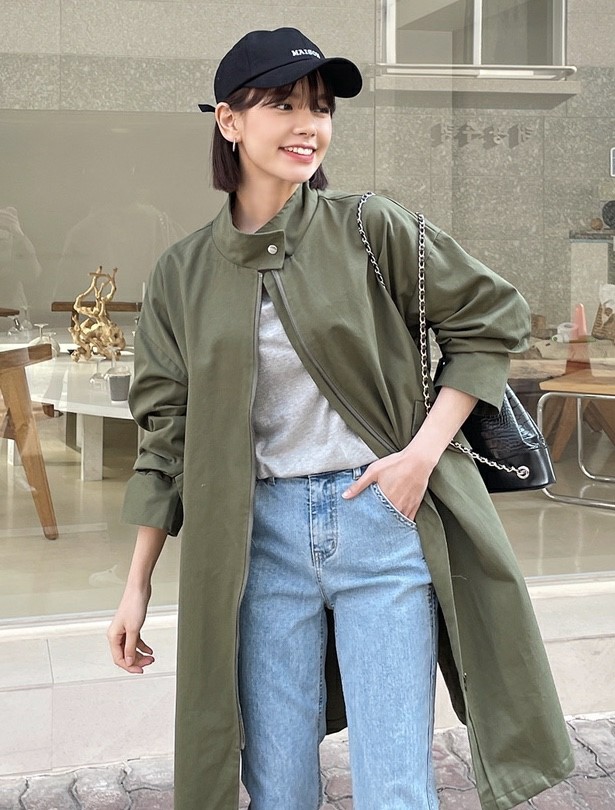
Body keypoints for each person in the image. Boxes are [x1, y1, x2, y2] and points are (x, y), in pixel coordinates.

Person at [108, 27, 574, 810]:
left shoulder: (369, 226)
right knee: (278, 786)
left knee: (394, 785)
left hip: (380, 524)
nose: (308, 126)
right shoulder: (182, 272)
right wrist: (136, 587)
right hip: (259, 545)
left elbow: (491, 321)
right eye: (283, 105)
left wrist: (420, 457)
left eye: (320, 108)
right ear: (229, 121)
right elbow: (166, 436)